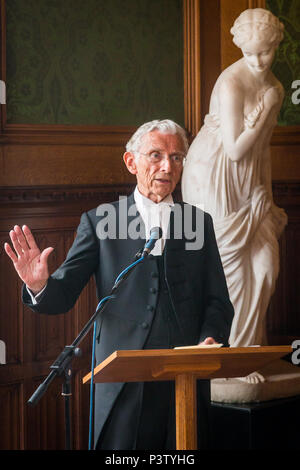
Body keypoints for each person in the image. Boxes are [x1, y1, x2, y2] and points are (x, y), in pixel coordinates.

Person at [4, 119, 233, 450]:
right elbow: (63, 295)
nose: (167, 166)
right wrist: (39, 285)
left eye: (177, 157)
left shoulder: (199, 222)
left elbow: (218, 301)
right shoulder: (99, 222)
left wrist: (210, 337)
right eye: (155, 155)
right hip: (123, 383)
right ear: (131, 162)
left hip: (185, 380)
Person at [182, 9, 287, 350]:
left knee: (266, 267)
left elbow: (262, 150)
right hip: (215, 174)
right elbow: (236, 149)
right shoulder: (232, 83)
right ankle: (230, 358)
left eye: (265, 52)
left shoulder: (275, 87)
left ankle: (249, 351)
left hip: (249, 178)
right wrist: (267, 109)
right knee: (232, 269)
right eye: (249, 53)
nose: (258, 61)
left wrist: (266, 197)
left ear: (276, 45)